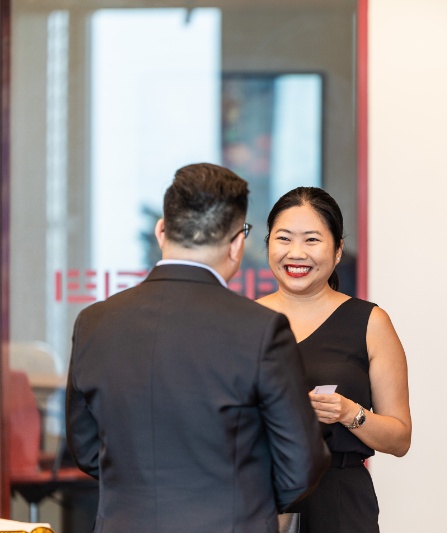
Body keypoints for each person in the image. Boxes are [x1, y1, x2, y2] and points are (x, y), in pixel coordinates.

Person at [65, 163, 330, 532]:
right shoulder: (260, 329)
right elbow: (300, 464)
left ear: (162, 231)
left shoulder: (95, 322)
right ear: (236, 244)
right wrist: (243, 503)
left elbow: (85, 447)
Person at [257, 187, 412, 532]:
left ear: (338, 250)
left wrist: (349, 413)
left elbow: (400, 438)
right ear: (268, 245)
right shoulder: (243, 321)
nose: (296, 253)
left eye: (312, 240)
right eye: (284, 239)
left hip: (340, 503)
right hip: (259, 499)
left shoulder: (370, 322)